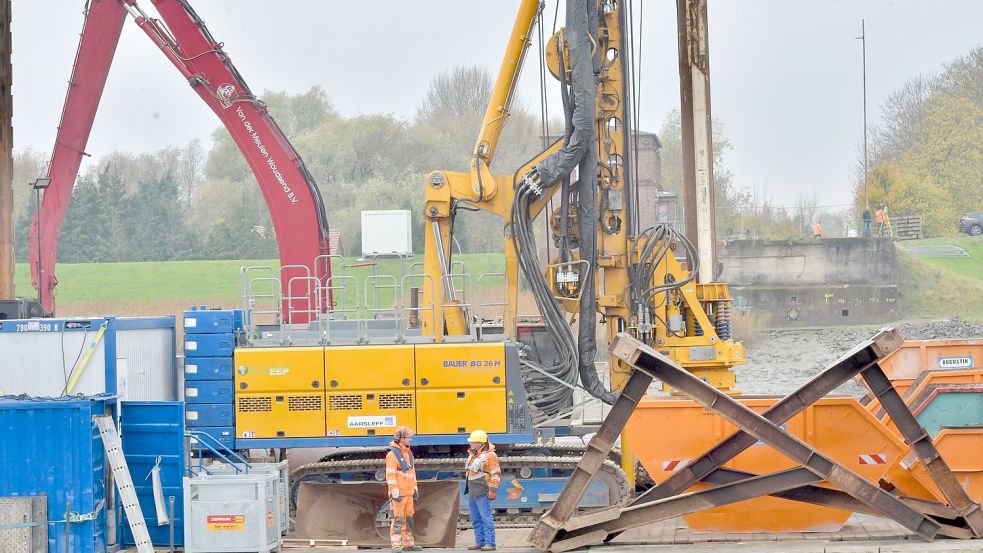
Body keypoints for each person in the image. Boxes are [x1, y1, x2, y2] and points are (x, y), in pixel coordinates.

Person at [386, 426, 421, 553]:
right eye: (408, 437)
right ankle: (396, 545)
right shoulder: (392, 454)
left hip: (408, 493)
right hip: (399, 494)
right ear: (400, 438)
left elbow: (412, 472)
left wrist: (415, 487)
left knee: (409, 519)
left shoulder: (408, 453)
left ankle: (408, 544)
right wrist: (394, 491)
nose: (410, 440)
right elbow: (390, 474)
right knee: (398, 519)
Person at [464, 430, 500, 551]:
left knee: (486, 518)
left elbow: (495, 474)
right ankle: (480, 541)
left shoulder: (490, 456)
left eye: (473, 442)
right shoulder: (472, 455)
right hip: (472, 492)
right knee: (476, 519)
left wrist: (493, 490)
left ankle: (490, 543)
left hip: (482, 491)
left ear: (480, 443)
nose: (471, 444)